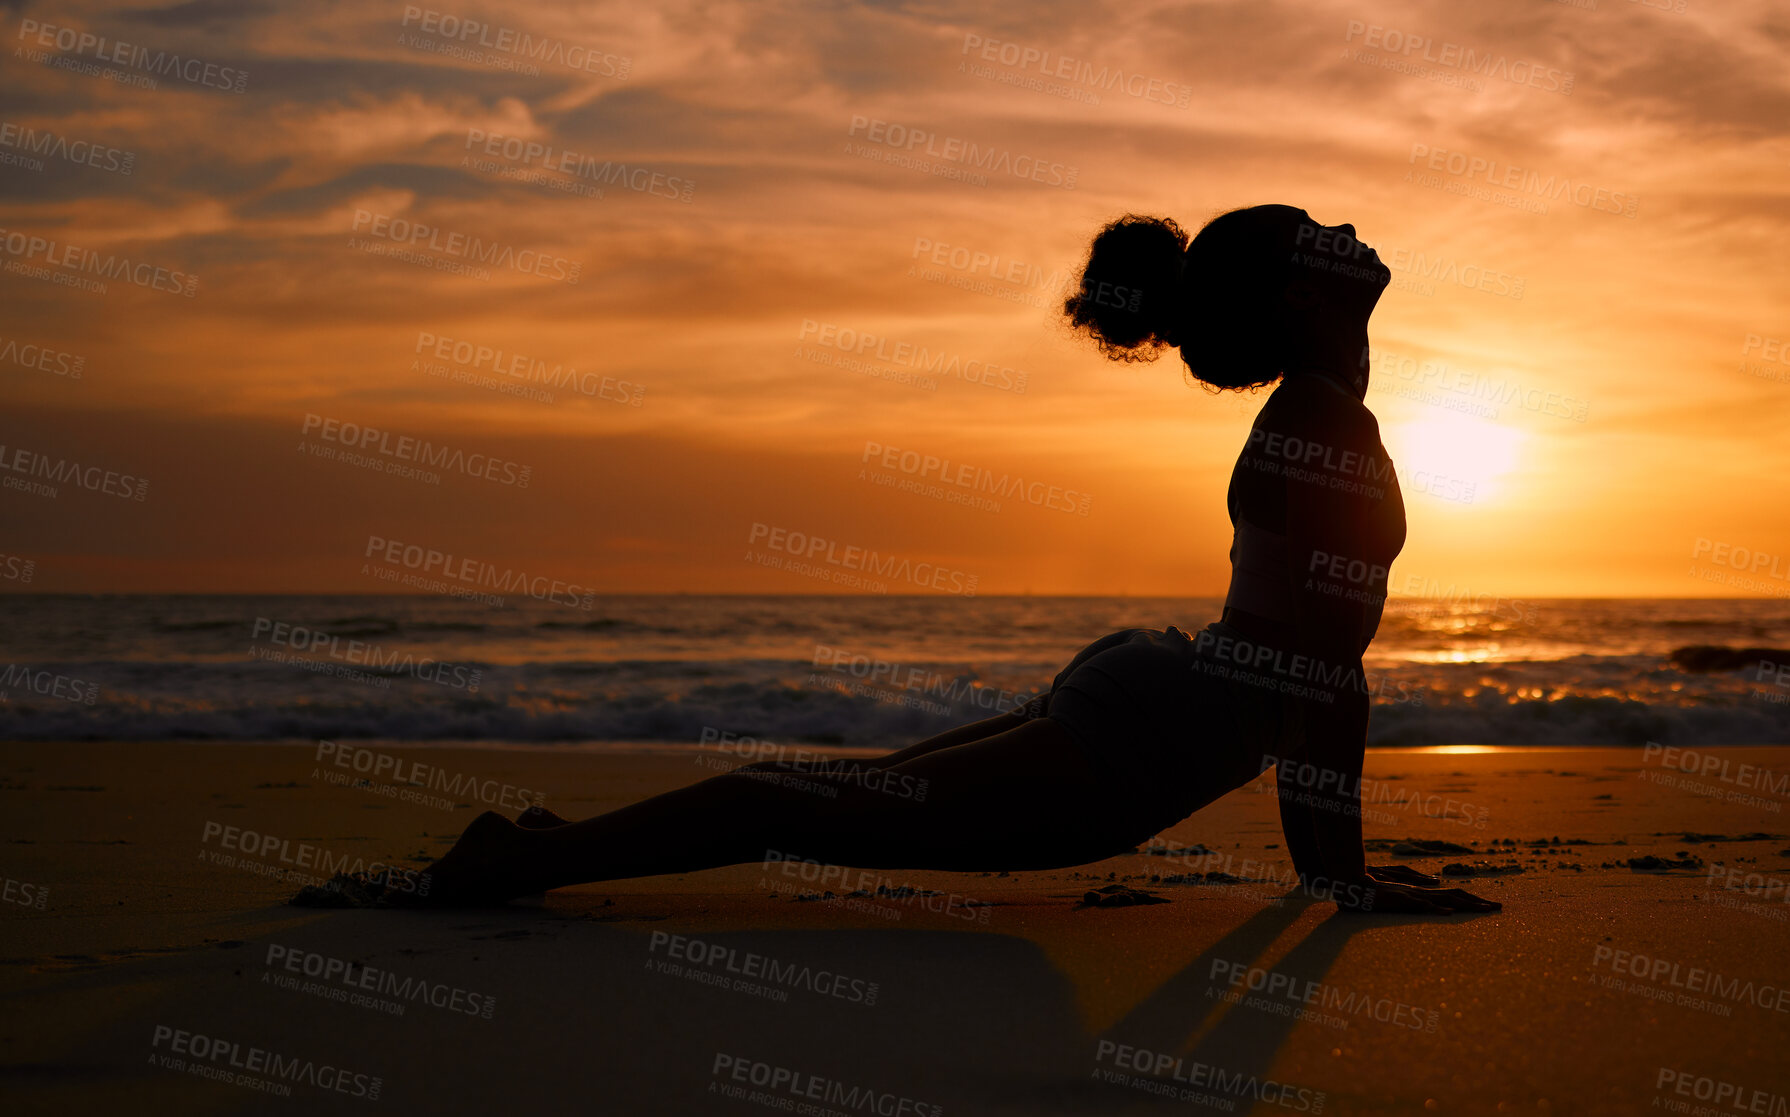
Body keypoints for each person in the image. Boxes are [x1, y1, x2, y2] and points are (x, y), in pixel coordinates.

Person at [399, 204, 1499, 916]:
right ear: (1302, 295)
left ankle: (553, 841)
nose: (1345, 225)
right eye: (1317, 230)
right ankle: (515, 860)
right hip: (1147, 735)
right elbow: (1315, 674)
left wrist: (1329, 872)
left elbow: (1307, 667)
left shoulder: (1324, 412)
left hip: (1155, 699)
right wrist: (1339, 880)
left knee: (825, 795)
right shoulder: (1327, 424)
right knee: (808, 805)